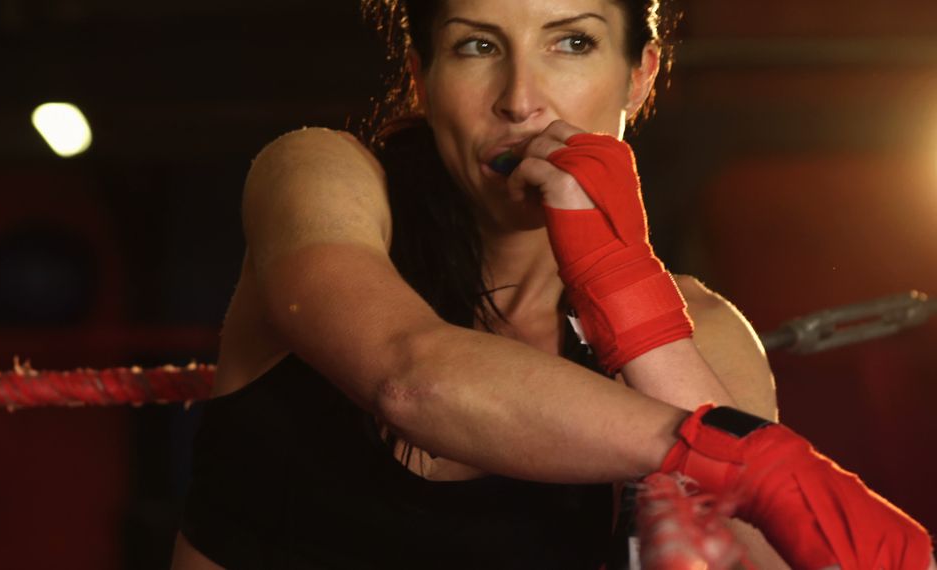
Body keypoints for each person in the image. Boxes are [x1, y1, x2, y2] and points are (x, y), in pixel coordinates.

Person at [171, 0, 936, 568]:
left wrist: (623, 287)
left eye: (571, 42)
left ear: (640, 76)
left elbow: (744, 552)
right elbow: (409, 377)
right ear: (421, 76)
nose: (520, 99)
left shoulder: (703, 332)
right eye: (476, 46)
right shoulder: (320, 178)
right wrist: (746, 458)